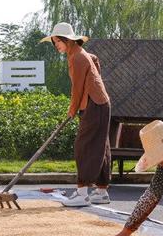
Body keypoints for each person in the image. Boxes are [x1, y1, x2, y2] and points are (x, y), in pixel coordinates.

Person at [41, 22, 112, 206]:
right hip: (100, 103)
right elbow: (94, 58)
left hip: (94, 105)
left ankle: (82, 193)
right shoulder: (80, 54)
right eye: (54, 42)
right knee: (100, 146)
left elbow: (77, 88)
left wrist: (72, 110)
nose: (56, 45)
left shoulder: (77, 58)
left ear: (68, 40)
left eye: (57, 41)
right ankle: (102, 191)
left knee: (84, 146)